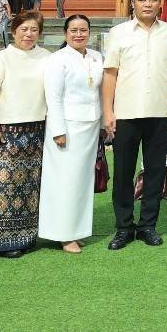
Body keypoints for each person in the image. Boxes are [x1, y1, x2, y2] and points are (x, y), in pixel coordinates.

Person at [101, 0, 167, 250]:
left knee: (155, 172)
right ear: (133, 3)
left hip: (159, 112)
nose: (148, 4)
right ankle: (124, 227)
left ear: (160, 3)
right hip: (126, 113)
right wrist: (108, 111)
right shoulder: (118, 33)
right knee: (123, 173)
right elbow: (110, 74)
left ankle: (148, 226)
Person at [0, 10, 51, 257]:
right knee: (4, 186)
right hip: (7, 131)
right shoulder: (1, 58)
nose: (28, 34)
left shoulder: (47, 57)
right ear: (13, 31)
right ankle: (2, 240)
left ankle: (27, 237)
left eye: (34, 30)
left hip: (38, 130)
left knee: (31, 187)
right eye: (24, 29)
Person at [39, 14, 102, 253]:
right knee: (64, 181)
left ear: (89, 32)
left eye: (83, 30)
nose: (78, 34)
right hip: (67, 126)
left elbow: (100, 91)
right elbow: (53, 98)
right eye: (73, 30)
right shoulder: (57, 60)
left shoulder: (96, 57)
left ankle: (76, 230)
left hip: (90, 125)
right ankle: (63, 234)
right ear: (65, 33)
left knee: (82, 181)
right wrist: (58, 130)